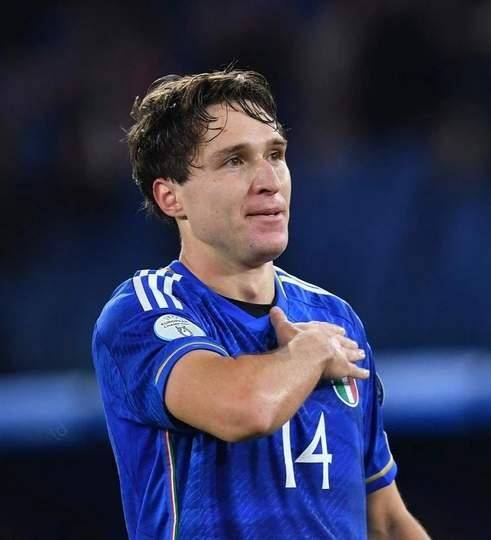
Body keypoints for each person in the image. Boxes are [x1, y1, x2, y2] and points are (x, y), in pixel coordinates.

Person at [92, 67, 430, 539]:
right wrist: (308, 354)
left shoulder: (334, 317)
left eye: (275, 154)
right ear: (170, 197)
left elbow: (386, 521)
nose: (269, 180)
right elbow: (246, 410)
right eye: (235, 161)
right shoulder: (142, 312)